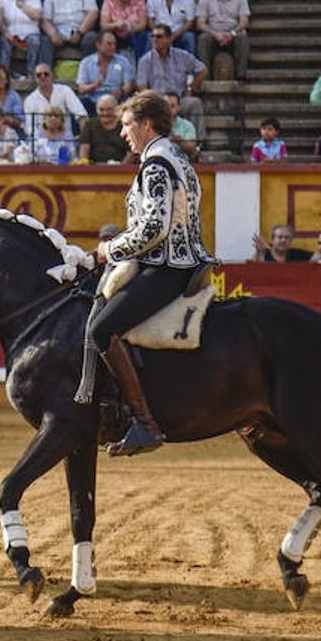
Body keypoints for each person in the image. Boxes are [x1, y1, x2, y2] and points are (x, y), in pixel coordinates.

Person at [88, 89, 213, 456]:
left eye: (127, 125)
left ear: (146, 124)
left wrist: (109, 250)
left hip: (166, 267)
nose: (123, 133)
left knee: (100, 329)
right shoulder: (176, 157)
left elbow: (152, 229)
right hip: (182, 262)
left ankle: (144, 423)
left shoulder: (156, 164)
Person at [195, 0, 249, 78]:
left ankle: (241, 76)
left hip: (233, 33)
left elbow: (244, 21)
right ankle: (205, 76)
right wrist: (216, 34)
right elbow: (200, 23)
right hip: (213, 34)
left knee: (242, 37)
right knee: (203, 39)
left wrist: (231, 33)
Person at [41, 0, 99, 64]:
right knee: (45, 40)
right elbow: (45, 20)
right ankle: (46, 74)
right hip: (58, 34)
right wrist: (53, 34)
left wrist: (80, 32)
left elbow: (93, 13)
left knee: (91, 38)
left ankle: (87, 75)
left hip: (80, 32)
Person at [75, 31, 135, 111]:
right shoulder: (86, 63)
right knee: (79, 105)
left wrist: (121, 91)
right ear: (98, 45)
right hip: (93, 101)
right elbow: (81, 89)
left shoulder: (123, 61)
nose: (113, 47)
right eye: (109, 44)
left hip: (116, 100)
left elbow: (129, 85)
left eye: (114, 44)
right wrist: (94, 85)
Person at [77, 94, 131, 163]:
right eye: (101, 110)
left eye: (109, 109)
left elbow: (131, 152)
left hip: (121, 168)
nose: (105, 113)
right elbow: (84, 148)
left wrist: (120, 169)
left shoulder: (124, 124)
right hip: (94, 168)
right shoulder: (90, 125)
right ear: (96, 110)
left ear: (117, 109)